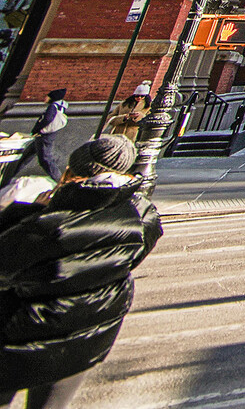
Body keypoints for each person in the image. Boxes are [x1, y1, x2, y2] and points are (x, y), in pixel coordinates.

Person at [0, 136, 161, 409]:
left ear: (73, 174)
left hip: (25, 336)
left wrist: (26, 212)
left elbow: (5, 263)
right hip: (90, 335)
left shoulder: (52, 225)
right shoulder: (142, 215)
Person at [1, 94, 68, 187]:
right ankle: (6, 179)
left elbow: (47, 119)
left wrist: (37, 129)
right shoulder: (60, 108)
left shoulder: (52, 107)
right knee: (25, 156)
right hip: (44, 136)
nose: (45, 98)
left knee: (45, 159)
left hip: (43, 136)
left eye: (47, 96)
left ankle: (60, 182)